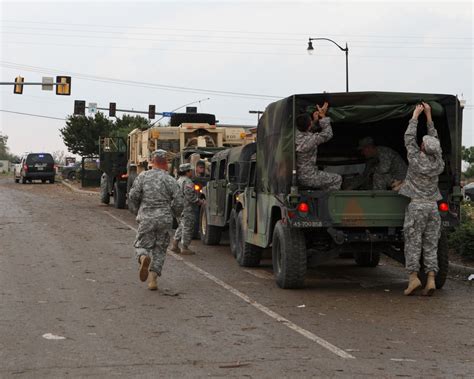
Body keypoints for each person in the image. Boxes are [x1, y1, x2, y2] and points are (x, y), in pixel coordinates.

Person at [399, 103, 445, 296]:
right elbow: (435, 141)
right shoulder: (439, 162)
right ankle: (432, 279)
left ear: (422, 147)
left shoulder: (415, 158)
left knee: (413, 243)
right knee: (431, 244)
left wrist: (415, 115)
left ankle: (413, 278)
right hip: (433, 208)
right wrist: (429, 115)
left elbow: (408, 138)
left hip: (416, 206)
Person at [128, 149, 183, 291]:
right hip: (164, 218)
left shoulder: (143, 176)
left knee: (141, 244)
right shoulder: (170, 179)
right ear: (165, 162)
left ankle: (143, 258)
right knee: (160, 248)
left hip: (147, 216)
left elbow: (133, 195)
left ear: (152, 161)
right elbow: (179, 201)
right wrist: (174, 214)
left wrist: (136, 211)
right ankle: (153, 281)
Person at [295, 102, 342, 191]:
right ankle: (328, 202)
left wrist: (316, 120)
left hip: (303, 176)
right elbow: (327, 134)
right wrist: (323, 116)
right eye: (311, 121)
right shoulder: (310, 140)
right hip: (310, 177)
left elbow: (307, 132)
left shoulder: (298, 135)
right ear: (309, 125)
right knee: (337, 179)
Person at [170, 163, 203, 255]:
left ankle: (175, 244)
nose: (192, 172)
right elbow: (189, 195)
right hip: (187, 207)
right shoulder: (188, 181)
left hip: (178, 207)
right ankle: (185, 247)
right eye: (191, 171)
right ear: (187, 171)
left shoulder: (178, 180)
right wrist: (199, 201)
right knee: (188, 227)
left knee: (181, 226)